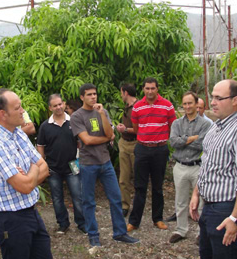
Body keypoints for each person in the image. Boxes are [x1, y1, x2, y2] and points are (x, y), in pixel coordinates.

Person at [189, 80, 237, 259]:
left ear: (235, 100)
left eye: (218, 98)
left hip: (227, 208)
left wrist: (234, 219)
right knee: (207, 253)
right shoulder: (216, 127)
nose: (212, 102)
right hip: (210, 207)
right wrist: (196, 194)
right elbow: (207, 164)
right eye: (212, 97)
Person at [0, 88, 52, 259]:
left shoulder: (18, 133)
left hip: (31, 212)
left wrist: (28, 174)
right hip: (10, 221)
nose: (23, 111)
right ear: (3, 114)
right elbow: (25, 186)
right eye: (18, 108)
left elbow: (44, 167)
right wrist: (33, 169)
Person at [70, 83, 139, 247]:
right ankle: (93, 236)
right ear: (82, 97)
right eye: (89, 95)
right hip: (88, 164)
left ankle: (120, 233)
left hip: (105, 162)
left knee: (116, 199)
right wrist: (106, 139)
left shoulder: (103, 112)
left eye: (94, 94)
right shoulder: (77, 116)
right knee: (89, 202)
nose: (93, 97)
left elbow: (110, 133)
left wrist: (101, 115)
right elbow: (86, 140)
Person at [127, 77, 176, 232]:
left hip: (160, 150)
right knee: (140, 187)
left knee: (157, 187)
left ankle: (158, 219)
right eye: (147, 88)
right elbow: (136, 129)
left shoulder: (167, 106)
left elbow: (172, 127)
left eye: (152, 88)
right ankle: (134, 221)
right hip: (142, 149)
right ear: (143, 89)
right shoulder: (137, 107)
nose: (149, 91)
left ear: (157, 89)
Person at [37, 94, 86, 235]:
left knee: (78, 196)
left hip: (72, 166)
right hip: (53, 168)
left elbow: (81, 141)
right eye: (55, 105)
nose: (58, 107)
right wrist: (43, 164)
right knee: (57, 198)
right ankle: (63, 224)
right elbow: (40, 146)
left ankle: (82, 224)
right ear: (50, 108)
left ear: (63, 104)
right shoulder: (45, 126)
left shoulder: (74, 122)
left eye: (60, 104)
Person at [168, 91, 211, 244]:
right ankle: (181, 230)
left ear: (196, 104)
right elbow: (173, 142)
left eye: (190, 103)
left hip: (198, 167)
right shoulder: (177, 123)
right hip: (180, 166)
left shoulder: (206, 124)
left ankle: (202, 232)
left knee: (201, 202)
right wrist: (192, 138)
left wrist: (183, 140)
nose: (187, 106)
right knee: (180, 201)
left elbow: (203, 144)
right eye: (184, 103)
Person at [116, 83, 138, 217]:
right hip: (124, 143)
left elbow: (141, 128)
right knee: (123, 178)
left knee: (138, 177)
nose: (120, 95)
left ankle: (138, 205)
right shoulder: (127, 107)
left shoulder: (138, 107)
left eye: (121, 93)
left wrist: (125, 129)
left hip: (136, 144)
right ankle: (125, 205)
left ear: (125, 93)